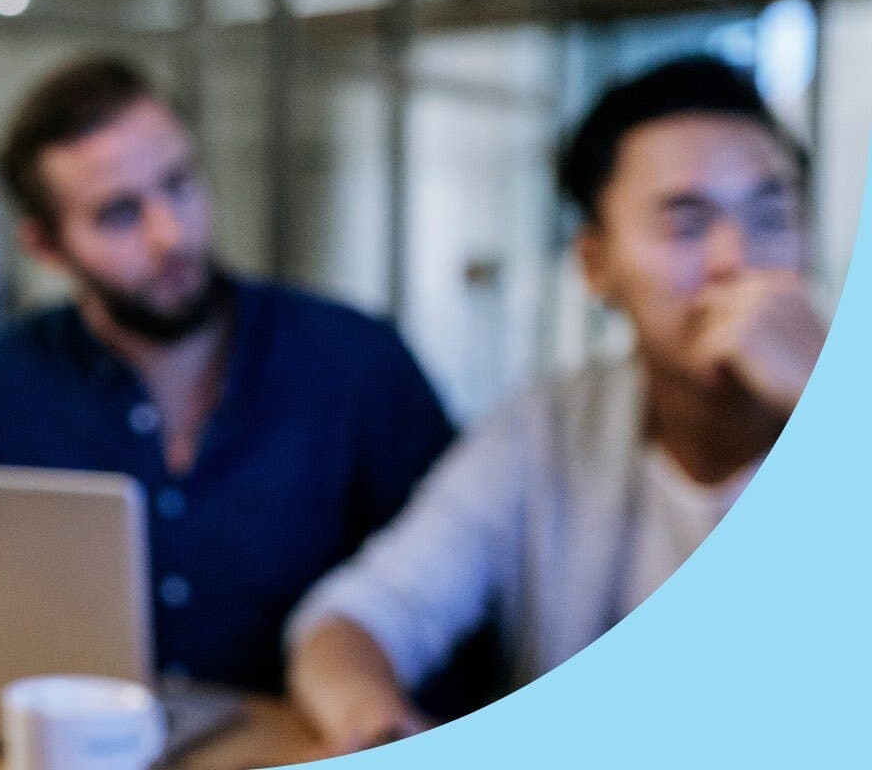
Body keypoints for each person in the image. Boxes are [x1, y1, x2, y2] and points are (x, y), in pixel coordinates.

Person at [284, 56, 827, 755]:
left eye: (772, 217)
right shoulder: (543, 430)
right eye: (687, 226)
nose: (736, 260)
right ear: (595, 264)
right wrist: (369, 715)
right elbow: (357, 615)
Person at [0, 58, 456, 693]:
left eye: (179, 183)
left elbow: (454, 609)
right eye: (119, 214)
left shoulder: (358, 364)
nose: (171, 234)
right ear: (47, 248)